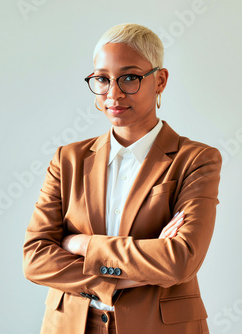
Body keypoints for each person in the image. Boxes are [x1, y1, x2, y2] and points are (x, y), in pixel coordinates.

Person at [23, 23, 222, 334]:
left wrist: (82, 243)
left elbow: (180, 261)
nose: (113, 93)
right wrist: (132, 273)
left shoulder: (196, 160)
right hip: (71, 326)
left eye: (129, 77)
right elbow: (36, 258)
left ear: (160, 80)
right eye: (102, 79)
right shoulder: (68, 159)